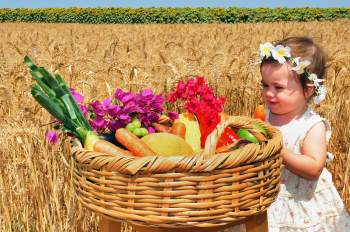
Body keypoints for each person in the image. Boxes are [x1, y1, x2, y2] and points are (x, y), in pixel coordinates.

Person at [258, 37, 350, 231]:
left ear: (308, 91)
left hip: (300, 205)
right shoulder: (264, 116)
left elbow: (313, 167)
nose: (269, 93)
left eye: (278, 87)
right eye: (265, 85)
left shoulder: (311, 126)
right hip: (266, 200)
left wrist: (278, 151)